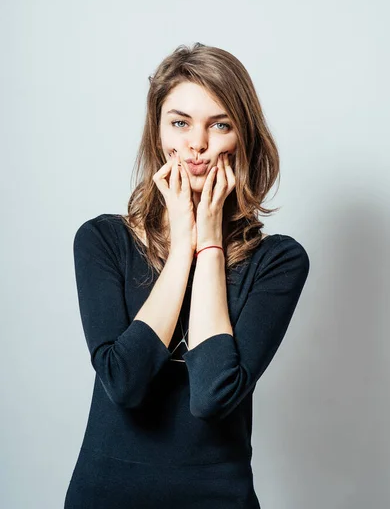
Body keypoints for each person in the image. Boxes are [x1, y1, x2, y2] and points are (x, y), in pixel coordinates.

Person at [64, 43, 310, 508]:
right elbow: (124, 382)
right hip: (105, 496)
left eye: (219, 124)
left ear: (243, 136)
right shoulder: (102, 241)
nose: (197, 142)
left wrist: (210, 242)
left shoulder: (278, 261)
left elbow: (213, 395)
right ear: (158, 134)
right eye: (180, 122)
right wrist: (182, 250)